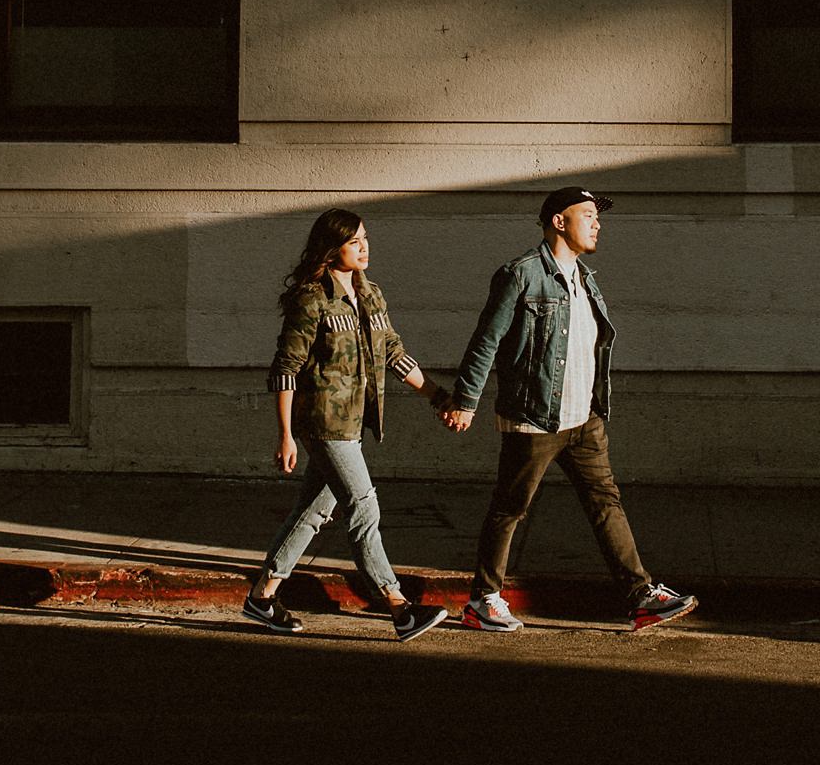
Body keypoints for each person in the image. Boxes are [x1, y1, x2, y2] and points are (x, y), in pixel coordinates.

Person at [439, 186, 698, 633]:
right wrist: (466, 400)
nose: (598, 223)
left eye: (598, 217)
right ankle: (483, 600)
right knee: (511, 507)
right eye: (588, 215)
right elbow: (487, 339)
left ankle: (640, 596)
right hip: (534, 417)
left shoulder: (584, 277)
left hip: (585, 417)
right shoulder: (520, 275)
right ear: (559, 221)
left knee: (606, 502)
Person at [243, 208, 450, 642]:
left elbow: (393, 352)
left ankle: (262, 598)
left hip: (354, 421)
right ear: (331, 247)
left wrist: (436, 396)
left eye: (365, 238)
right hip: (323, 422)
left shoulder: (370, 293)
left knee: (313, 511)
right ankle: (398, 607)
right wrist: (284, 434)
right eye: (355, 241)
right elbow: (286, 368)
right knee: (363, 506)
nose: (364, 247)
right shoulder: (311, 298)